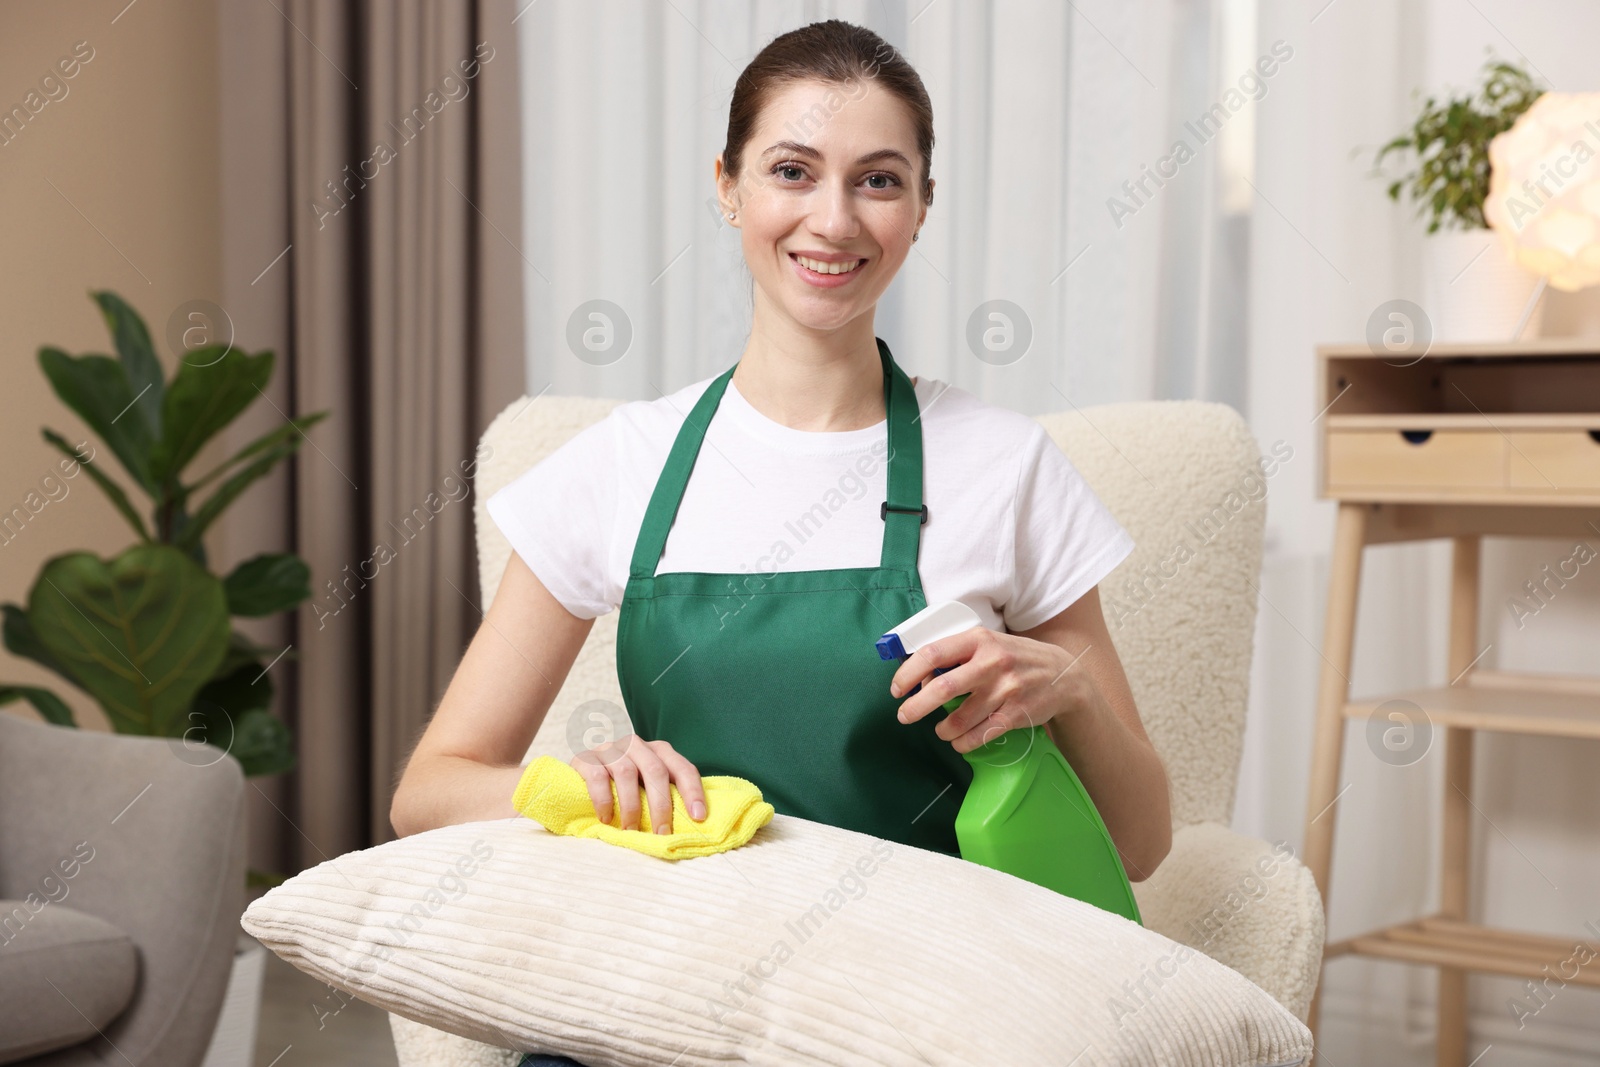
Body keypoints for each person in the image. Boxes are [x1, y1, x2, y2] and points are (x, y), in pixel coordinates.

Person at [390, 19, 1172, 1067]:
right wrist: (583, 783)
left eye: (880, 180)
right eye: (791, 170)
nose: (832, 218)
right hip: (668, 992)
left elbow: (1139, 839)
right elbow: (429, 789)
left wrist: (1065, 690)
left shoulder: (1004, 465)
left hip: (919, 1003)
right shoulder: (621, 461)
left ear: (921, 206)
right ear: (728, 186)